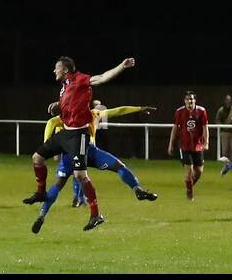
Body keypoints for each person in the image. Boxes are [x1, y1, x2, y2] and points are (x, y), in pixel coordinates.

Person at [24, 56, 135, 232]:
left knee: (80, 175)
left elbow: (102, 77)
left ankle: (95, 214)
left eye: (56, 67)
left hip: (78, 135)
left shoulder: (81, 79)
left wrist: (122, 65)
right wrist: (58, 105)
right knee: (37, 158)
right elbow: (70, 102)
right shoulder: (64, 86)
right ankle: (40, 193)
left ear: (65, 69)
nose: (54, 70)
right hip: (65, 133)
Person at [28, 102, 159, 222]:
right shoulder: (94, 113)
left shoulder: (67, 118)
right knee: (119, 167)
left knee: (58, 184)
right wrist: (139, 109)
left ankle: (42, 214)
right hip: (90, 151)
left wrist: (47, 146)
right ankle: (137, 189)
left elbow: (51, 123)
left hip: (70, 155)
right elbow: (119, 110)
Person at [168, 91, 210, 201]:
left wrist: (206, 142)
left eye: (191, 99)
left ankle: (189, 185)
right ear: (184, 101)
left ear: (195, 100)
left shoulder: (201, 111)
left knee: (199, 172)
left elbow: (205, 128)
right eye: (187, 99)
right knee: (189, 170)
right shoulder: (179, 112)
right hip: (185, 146)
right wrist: (171, 144)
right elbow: (175, 128)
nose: (189, 101)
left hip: (198, 146)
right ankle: (189, 194)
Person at [215, 94, 232, 162]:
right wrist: (222, 126)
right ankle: (225, 163)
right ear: (225, 101)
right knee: (225, 149)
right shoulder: (221, 110)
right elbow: (217, 120)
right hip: (224, 132)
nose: (228, 102)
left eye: (229, 100)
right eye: (227, 100)